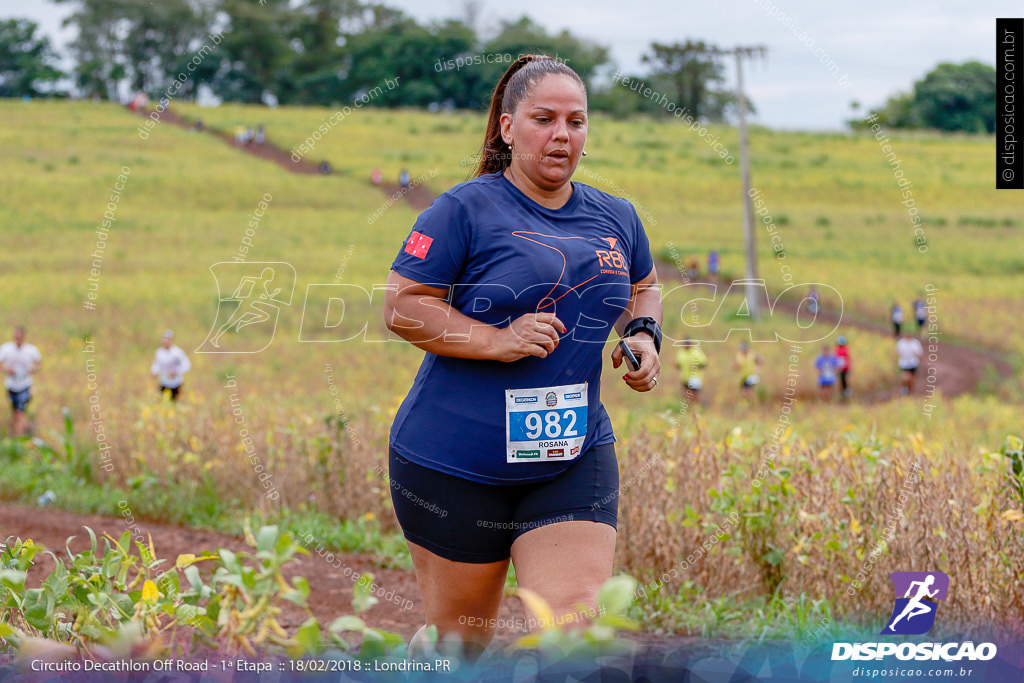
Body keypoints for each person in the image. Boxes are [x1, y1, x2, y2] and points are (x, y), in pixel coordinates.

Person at [383, 55, 661, 655]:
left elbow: (644, 285)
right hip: (454, 462)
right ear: (508, 128)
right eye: (544, 118)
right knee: (461, 648)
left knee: (576, 634)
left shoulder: (617, 216)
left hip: (570, 455)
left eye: (577, 121)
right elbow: (403, 306)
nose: (563, 134)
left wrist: (642, 334)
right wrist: (496, 341)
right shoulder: (463, 210)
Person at [0, 327, 42, 437]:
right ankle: (28, 427)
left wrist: (33, 370)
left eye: (19, 338)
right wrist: (6, 370)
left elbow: (38, 362)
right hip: (11, 384)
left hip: (24, 385)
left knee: (20, 411)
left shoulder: (30, 350)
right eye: (16, 338)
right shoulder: (6, 348)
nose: (17, 340)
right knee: (16, 411)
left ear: (24, 338)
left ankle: (18, 437)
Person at [150, 330, 191, 401]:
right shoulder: (159, 352)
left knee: (174, 402)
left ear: (171, 340)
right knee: (160, 401)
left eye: (168, 339)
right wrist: (153, 371)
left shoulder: (178, 353)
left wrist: (176, 372)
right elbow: (157, 365)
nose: (165, 341)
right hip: (163, 382)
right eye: (164, 339)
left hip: (175, 383)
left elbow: (187, 365)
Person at [675, 338, 708, 406]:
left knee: (696, 395)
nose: (687, 345)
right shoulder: (681, 352)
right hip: (685, 378)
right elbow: (678, 364)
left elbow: (704, 363)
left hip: (695, 378)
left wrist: (695, 365)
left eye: (688, 344)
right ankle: (691, 410)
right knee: (686, 396)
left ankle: (702, 407)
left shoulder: (696, 352)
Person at [896, 329, 924, 395]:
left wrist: (915, 355)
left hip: (913, 363)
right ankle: (905, 388)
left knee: (912, 379)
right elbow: (896, 352)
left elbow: (920, 354)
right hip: (904, 363)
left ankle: (910, 390)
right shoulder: (901, 342)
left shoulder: (915, 343)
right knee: (905, 377)